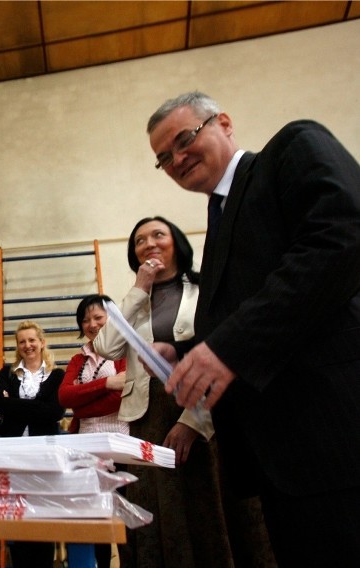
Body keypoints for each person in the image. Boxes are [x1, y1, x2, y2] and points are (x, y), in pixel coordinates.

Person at [146, 91, 360, 566]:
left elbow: (342, 238)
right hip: (281, 460)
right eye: (164, 157)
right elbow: (245, 310)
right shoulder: (218, 220)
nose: (177, 159)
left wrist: (225, 347)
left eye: (184, 140)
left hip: (335, 437)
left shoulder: (293, 147)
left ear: (223, 122)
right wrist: (186, 352)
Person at [94, 216, 273, 567]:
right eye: (139, 240)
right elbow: (106, 347)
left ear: (176, 242)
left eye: (158, 234)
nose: (149, 243)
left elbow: (223, 356)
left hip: (201, 412)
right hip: (147, 422)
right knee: (156, 517)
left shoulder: (205, 291)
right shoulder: (134, 299)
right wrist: (139, 288)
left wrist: (195, 421)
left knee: (206, 510)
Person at [0, 320, 65, 568]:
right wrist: (37, 407)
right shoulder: (7, 373)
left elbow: (55, 411)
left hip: (44, 452)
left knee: (43, 513)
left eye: (32, 340)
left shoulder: (57, 374)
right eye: (22, 341)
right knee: (16, 513)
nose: (27, 345)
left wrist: (14, 404)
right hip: (11, 452)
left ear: (41, 342)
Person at [58, 294, 127, 436]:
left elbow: (121, 398)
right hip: (83, 438)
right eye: (85, 320)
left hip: (119, 436)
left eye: (98, 318)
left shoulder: (125, 352)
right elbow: (64, 396)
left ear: (112, 317)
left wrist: (79, 410)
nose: (92, 324)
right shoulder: (78, 359)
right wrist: (107, 383)